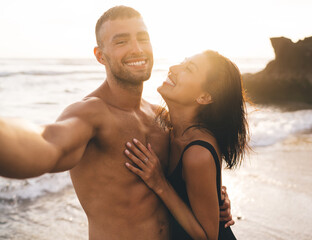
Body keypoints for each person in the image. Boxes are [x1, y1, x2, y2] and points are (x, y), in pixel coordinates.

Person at [0, 6, 233, 240]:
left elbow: (192, 174)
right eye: (121, 42)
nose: (137, 49)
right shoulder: (91, 114)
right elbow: (46, 144)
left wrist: (216, 200)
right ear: (100, 55)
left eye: (143, 38)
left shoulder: (163, 118)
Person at [124, 50, 249, 239]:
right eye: (182, 63)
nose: (173, 68)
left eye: (189, 69)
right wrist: (217, 201)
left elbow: (208, 237)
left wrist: (160, 183)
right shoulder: (170, 130)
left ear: (204, 97)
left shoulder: (197, 152)